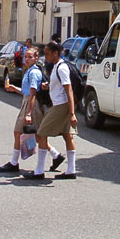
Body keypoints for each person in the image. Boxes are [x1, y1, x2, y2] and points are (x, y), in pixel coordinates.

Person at [0, 46, 65, 173]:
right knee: (38, 134)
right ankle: (56, 155)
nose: (27, 59)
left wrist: (28, 113)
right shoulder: (30, 71)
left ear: (36, 58)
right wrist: (15, 89)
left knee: (19, 132)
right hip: (29, 103)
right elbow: (28, 92)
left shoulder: (34, 73)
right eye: (26, 57)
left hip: (32, 105)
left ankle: (14, 162)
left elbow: (33, 93)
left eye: (30, 57)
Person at [24, 41, 78, 180]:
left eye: (47, 54)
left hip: (61, 105)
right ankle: (71, 170)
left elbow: (69, 89)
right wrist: (48, 86)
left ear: (55, 53)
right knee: (67, 135)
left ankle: (39, 171)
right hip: (62, 104)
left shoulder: (61, 68)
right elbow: (60, 86)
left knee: (41, 133)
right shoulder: (56, 67)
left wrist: (72, 113)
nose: (45, 56)